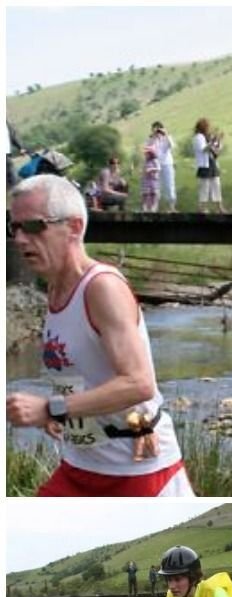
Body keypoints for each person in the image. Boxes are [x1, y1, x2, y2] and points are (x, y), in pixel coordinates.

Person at [6, 175, 192, 496]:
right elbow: (89, 374)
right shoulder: (54, 288)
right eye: (14, 228)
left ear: (75, 227)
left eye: (34, 227)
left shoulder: (102, 287)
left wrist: (51, 408)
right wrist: (65, 414)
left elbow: (139, 383)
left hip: (137, 469)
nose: (20, 239)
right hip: (82, 464)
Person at [193, 118, 224, 213]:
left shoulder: (207, 137)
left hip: (212, 163)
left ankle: (219, 207)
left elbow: (216, 151)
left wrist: (218, 141)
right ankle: (201, 208)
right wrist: (212, 141)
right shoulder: (198, 137)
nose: (209, 129)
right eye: (207, 127)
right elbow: (204, 149)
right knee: (204, 187)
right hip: (204, 165)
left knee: (216, 185)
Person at [148, 121, 176, 211]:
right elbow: (148, 151)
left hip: (167, 164)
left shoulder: (167, 138)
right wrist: (153, 137)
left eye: (158, 128)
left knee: (169, 185)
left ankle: (171, 207)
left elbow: (172, 145)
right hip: (155, 165)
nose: (156, 131)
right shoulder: (151, 140)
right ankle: (156, 207)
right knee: (156, 186)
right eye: (154, 129)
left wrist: (165, 134)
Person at [140, 145, 160, 212]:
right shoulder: (146, 161)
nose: (145, 155)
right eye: (145, 154)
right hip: (146, 179)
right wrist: (142, 173)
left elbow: (159, 168)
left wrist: (151, 169)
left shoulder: (155, 160)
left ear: (151, 154)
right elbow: (143, 169)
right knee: (145, 193)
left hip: (153, 180)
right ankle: (144, 207)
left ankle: (153, 207)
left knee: (153, 193)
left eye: (147, 153)